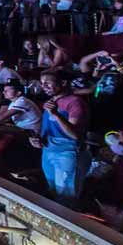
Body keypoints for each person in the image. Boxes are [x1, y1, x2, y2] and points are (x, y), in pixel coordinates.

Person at [33, 71, 89, 203]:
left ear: (63, 83)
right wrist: (37, 140)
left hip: (67, 154)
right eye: (42, 83)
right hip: (48, 150)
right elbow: (48, 129)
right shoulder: (51, 101)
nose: (44, 86)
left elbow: (74, 134)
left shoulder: (75, 102)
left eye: (48, 83)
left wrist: (56, 114)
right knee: (54, 192)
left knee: (66, 197)